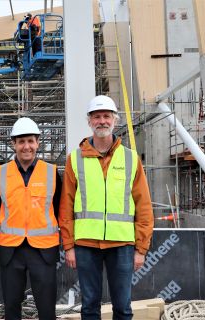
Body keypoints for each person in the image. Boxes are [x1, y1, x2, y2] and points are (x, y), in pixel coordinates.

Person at [58, 95, 154, 320]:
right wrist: (69, 245)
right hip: (85, 244)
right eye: (97, 116)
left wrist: (141, 248)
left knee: (123, 306)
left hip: (121, 244)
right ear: (90, 121)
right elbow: (66, 206)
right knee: (89, 306)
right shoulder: (75, 159)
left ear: (115, 120)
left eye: (106, 116)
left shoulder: (130, 159)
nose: (102, 121)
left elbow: (144, 206)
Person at [0, 117, 62, 320]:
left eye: (30, 141)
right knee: (11, 307)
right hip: (11, 250)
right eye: (21, 141)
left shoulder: (52, 173)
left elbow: (59, 209)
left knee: (47, 309)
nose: (26, 146)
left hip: (44, 251)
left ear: (38, 142)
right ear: (13, 144)